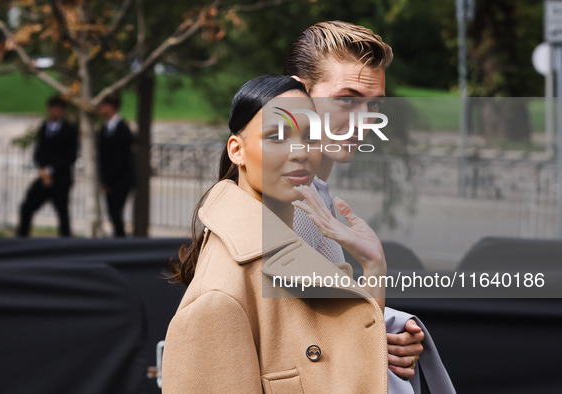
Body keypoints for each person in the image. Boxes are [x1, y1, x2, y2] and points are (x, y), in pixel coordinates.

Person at [163, 75, 389, 393]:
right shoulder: (219, 297)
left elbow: (347, 367)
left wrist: (374, 267)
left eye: (310, 136)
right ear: (236, 150)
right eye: (277, 135)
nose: (299, 151)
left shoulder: (290, 248)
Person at [285, 21, 455, 393]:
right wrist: (375, 332)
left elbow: (315, 321)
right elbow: (285, 347)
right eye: (347, 99)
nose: (365, 120)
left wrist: (386, 331)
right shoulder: (288, 203)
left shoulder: (313, 193)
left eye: (373, 104)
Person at [17, 95, 78, 237]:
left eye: (57, 109)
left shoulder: (69, 129)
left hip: (60, 179)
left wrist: (51, 171)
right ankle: (21, 239)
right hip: (44, 176)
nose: (53, 112)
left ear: (62, 110)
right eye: (51, 108)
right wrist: (43, 170)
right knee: (27, 207)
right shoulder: (44, 127)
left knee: (62, 212)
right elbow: (39, 152)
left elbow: (70, 156)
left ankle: (65, 243)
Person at [96, 95, 135, 237]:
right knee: (112, 213)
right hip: (109, 180)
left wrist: (109, 180)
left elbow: (122, 158)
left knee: (116, 212)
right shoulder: (104, 128)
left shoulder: (123, 129)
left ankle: (120, 241)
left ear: (110, 107)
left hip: (121, 181)